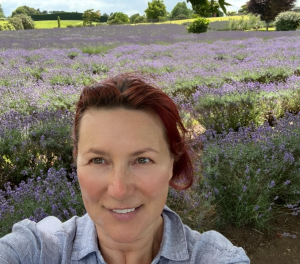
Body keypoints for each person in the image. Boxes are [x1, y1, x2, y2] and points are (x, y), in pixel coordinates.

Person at [0, 74, 250, 264]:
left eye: (142, 160)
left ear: (172, 164)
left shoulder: (215, 258)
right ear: (76, 162)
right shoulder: (39, 250)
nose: (119, 190)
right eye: (98, 160)